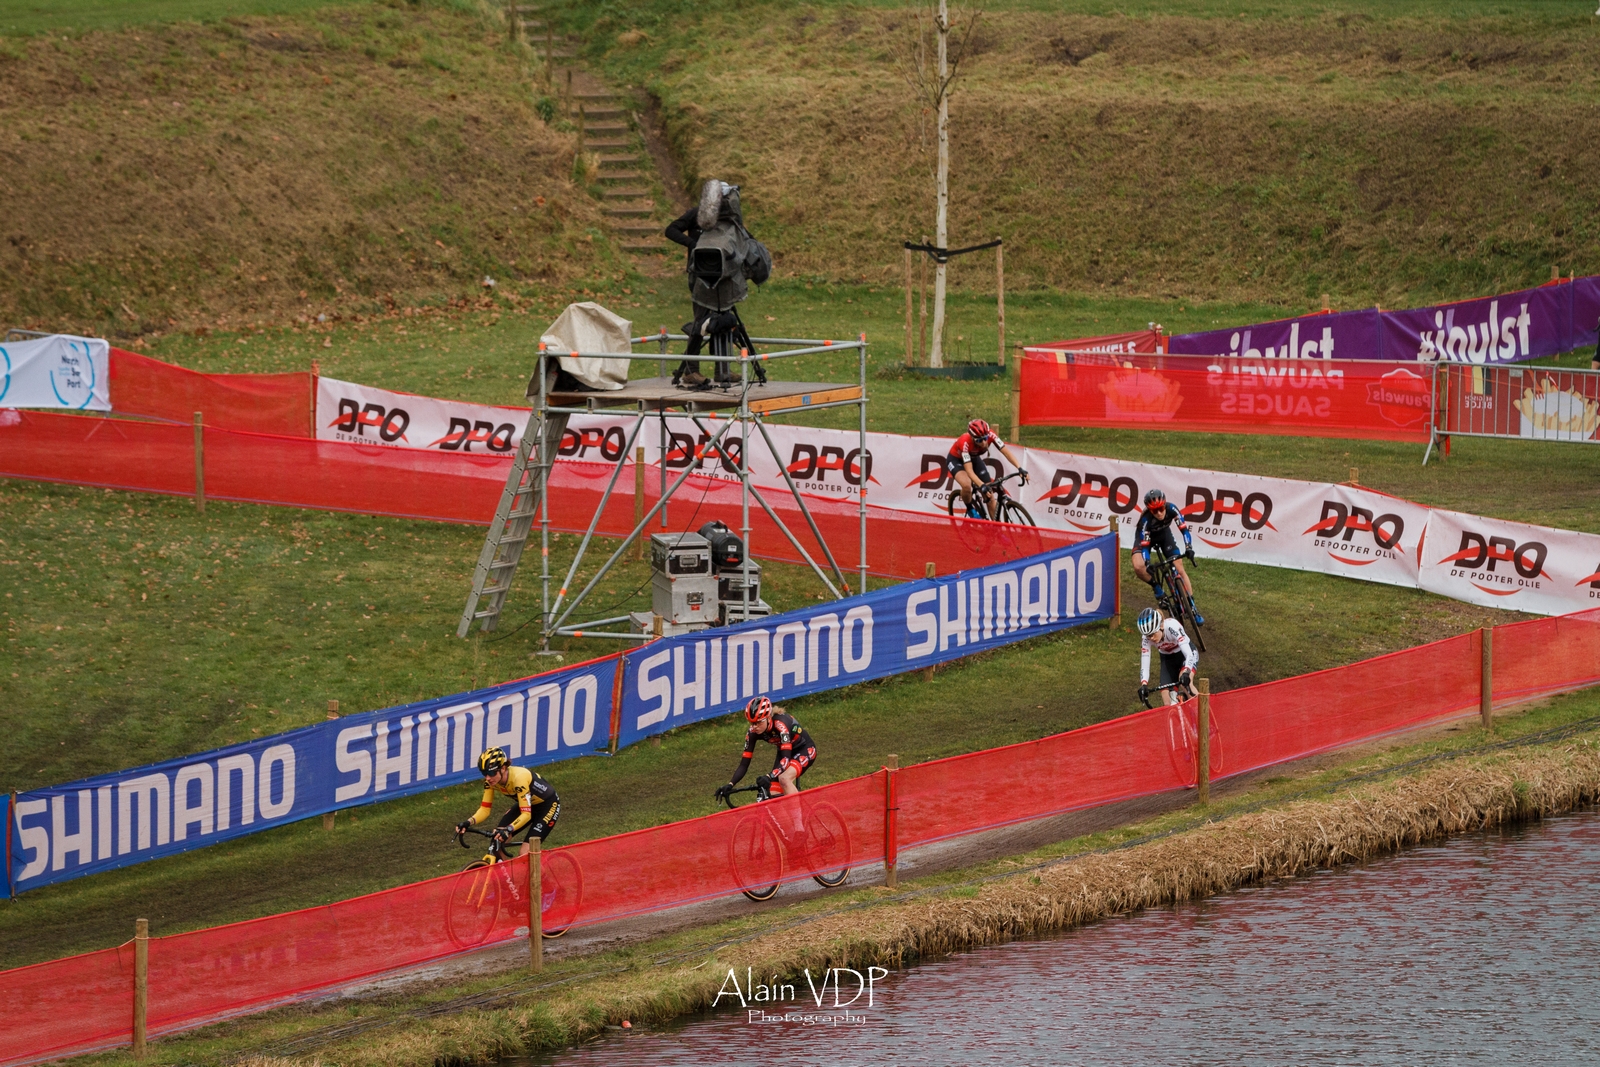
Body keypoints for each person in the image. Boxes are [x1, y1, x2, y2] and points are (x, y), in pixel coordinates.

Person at [664, 180, 768, 389]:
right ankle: (691, 371)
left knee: (725, 323)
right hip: (700, 279)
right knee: (700, 323)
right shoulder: (697, 215)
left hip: (725, 280)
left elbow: (746, 241)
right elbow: (671, 230)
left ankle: (723, 371)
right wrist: (694, 245)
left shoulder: (730, 222)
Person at [455, 747, 560, 859]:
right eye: (484, 773)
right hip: (526, 805)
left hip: (548, 806)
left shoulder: (519, 778)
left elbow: (526, 814)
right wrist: (468, 822)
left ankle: (541, 876)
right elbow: (485, 809)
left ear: (503, 768)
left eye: (491, 772)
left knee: (525, 853)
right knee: (496, 842)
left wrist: (509, 829)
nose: (488, 778)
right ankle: (507, 876)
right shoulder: (491, 782)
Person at [715, 696, 816, 804]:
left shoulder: (781, 725)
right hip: (784, 752)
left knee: (784, 779)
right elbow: (744, 764)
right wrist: (730, 784)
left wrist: (769, 776)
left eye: (758, 722)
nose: (755, 727)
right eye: (752, 723)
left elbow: (786, 759)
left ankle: (798, 821)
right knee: (771, 794)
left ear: (768, 718)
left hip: (804, 749)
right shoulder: (752, 732)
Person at [1132, 488, 1203, 626]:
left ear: (1165, 505)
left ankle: (1193, 608)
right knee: (1138, 566)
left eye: (1161, 508)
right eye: (1155, 511)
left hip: (1164, 535)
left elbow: (1184, 530)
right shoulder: (1145, 521)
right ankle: (1156, 587)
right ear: (1149, 510)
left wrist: (1188, 548)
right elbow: (1145, 547)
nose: (1159, 513)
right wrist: (1147, 563)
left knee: (1179, 568)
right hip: (1146, 539)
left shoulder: (1172, 509)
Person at [947, 418, 1027, 519]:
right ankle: (970, 509)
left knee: (990, 496)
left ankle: (996, 530)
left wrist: (1019, 468)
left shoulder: (991, 435)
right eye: (979, 440)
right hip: (956, 461)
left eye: (985, 438)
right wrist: (981, 485)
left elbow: (1006, 452)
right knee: (967, 485)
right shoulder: (965, 442)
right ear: (972, 438)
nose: (984, 442)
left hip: (974, 458)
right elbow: (970, 471)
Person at [1137, 607, 1198, 707]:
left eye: (1152, 634)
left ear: (1160, 626)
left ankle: (1205, 715)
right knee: (1167, 701)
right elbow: (1145, 664)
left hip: (1185, 654)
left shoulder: (1172, 626)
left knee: (1186, 685)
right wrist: (1144, 684)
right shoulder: (1146, 639)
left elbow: (1188, 654)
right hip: (1168, 659)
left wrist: (1186, 671)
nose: (1151, 638)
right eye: (1148, 636)